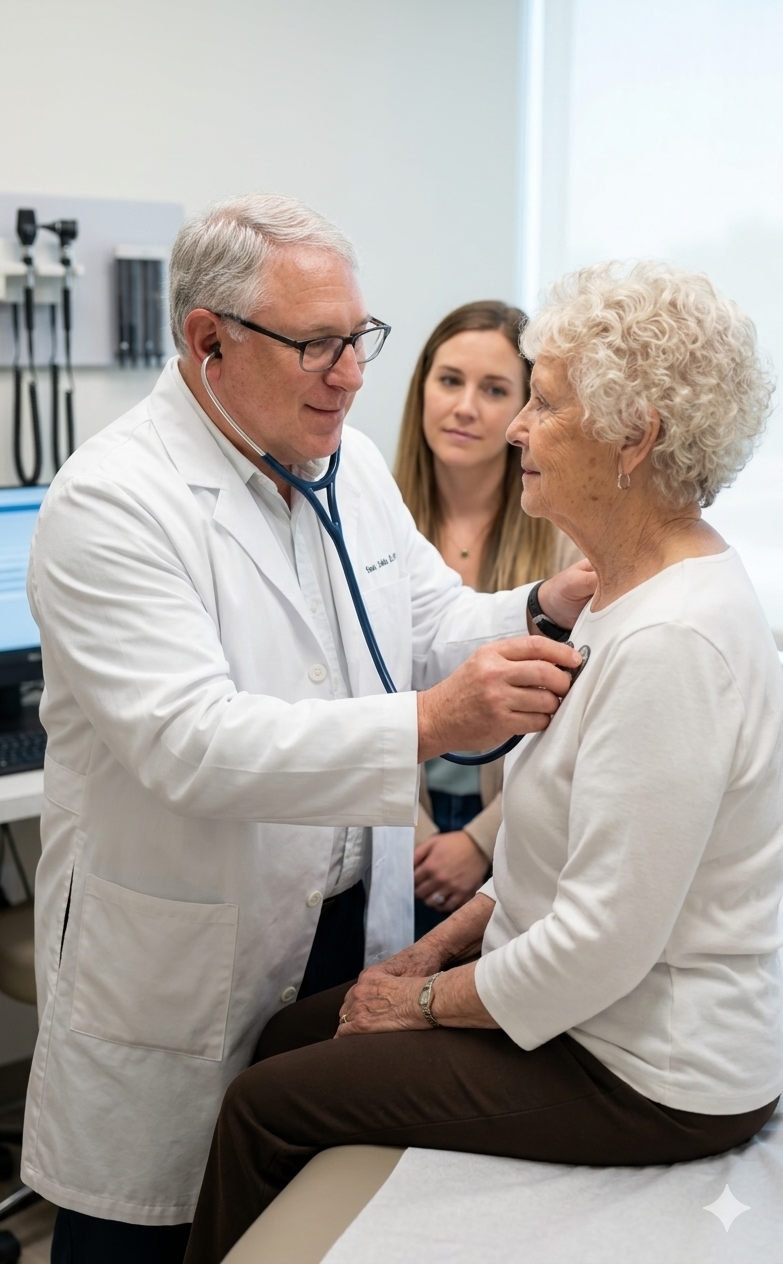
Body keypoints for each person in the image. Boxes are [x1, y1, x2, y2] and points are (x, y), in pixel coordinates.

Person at [20, 195, 592, 1264]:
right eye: (317, 345)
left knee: (285, 1217)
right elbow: (194, 743)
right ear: (208, 343)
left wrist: (543, 604)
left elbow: (428, 625)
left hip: (342, 926)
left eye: (359, 339)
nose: (352, 373)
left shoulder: (348, 467)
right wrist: (431, 724)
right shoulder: (114, 502)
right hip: (185, 953)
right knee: (146, 1234)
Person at [184, 260, 783, 1264]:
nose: (514, 431)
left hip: (648, 1068)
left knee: (260, 1106)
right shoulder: (622, 593)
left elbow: (599, 943)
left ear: (635, 436)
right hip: (593, 1010)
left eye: (541, 405)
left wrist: (415, 1003)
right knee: (291, 1041)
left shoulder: (676, 639)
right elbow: (554, 861)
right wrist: (434, 949)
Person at [393, 301, 580, 935]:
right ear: (422, 387)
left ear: (527, 410)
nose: (466, 406)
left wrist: (477, 842)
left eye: (495, 389)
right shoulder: (372, 526)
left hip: (514, 825)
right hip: (392, 823)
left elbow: (570, 724)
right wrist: (414, 834)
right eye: (449, 381)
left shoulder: (562, 542)